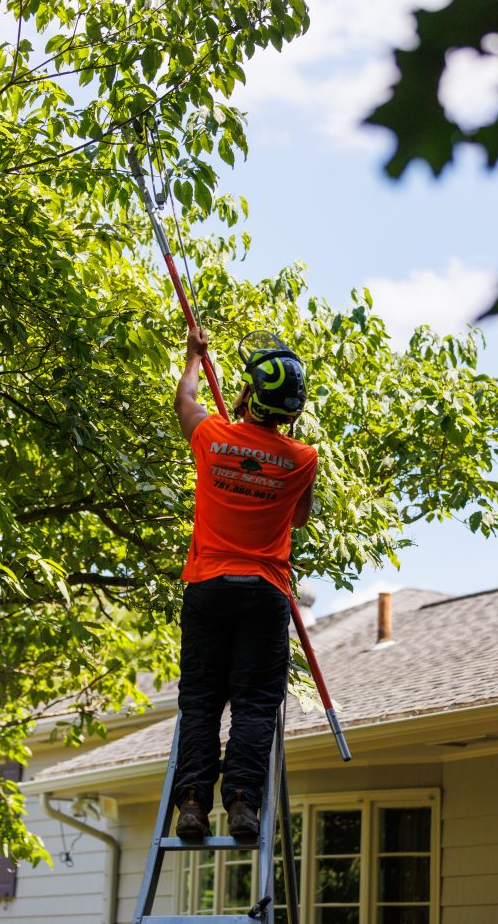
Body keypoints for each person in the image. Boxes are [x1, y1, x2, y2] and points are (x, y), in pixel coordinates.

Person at [172, 326, 317, 840]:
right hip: (263, 593)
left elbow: (184, 399)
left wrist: (195, 356)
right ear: (293, 411)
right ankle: (242, 805)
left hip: (209, 587)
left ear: (249, 394)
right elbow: (298, 519)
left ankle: (191, 802)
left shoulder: (212, 437)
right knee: (254, 704)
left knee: (201, 701)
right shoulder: (303, 459)